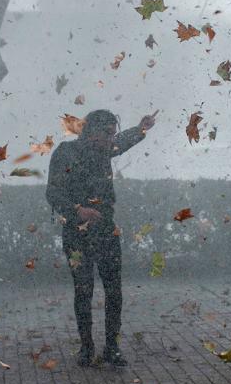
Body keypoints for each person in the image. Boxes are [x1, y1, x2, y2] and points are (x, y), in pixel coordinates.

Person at [45, 109, 157, 367]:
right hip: (76, 234)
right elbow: (52, 192)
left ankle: (112, 347)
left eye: (112, 134)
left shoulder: (105, 149)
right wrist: (77, 210)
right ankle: (86, 348)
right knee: (83, 290)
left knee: (114, 290)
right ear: (91, 131)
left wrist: (141, 127)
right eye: (107, 134)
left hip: (107, 230)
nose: (111, 140)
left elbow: (124, 141)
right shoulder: (65, 153)